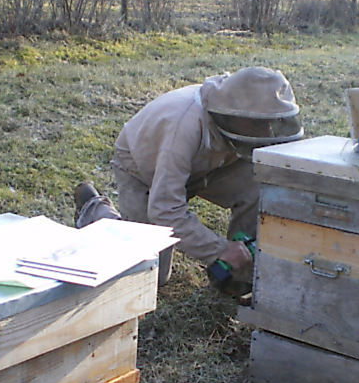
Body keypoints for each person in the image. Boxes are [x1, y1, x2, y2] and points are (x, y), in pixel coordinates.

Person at [74, 66, 304, 294]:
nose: (266, 129)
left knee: (257, 189)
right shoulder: (183, 129)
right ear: (236, 114)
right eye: (258, 123)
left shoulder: (239, 122)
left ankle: (238, 273)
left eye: (271, 121)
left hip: (212, 165)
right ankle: (94, 210)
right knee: (150, 274)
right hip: (143, 171)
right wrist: (219, 250)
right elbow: (165, 209)